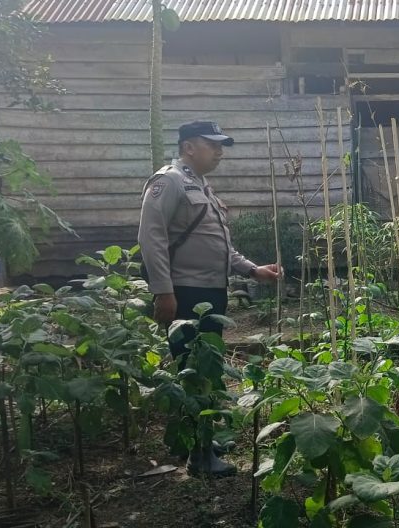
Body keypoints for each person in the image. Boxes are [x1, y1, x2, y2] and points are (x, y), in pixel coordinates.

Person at [138, 120, 280, 476]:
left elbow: (221, 246)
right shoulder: (168, 181)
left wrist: (253, 270)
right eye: (212, 144)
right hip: (184, 292)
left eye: (222, 145)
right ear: (189, 147)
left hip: (210, 291)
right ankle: (199, 457)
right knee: (194, 372)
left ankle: (202, 437)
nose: (219, 151)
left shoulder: (201, 185)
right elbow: (151, 238)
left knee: (208, 369)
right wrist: (163, 291)